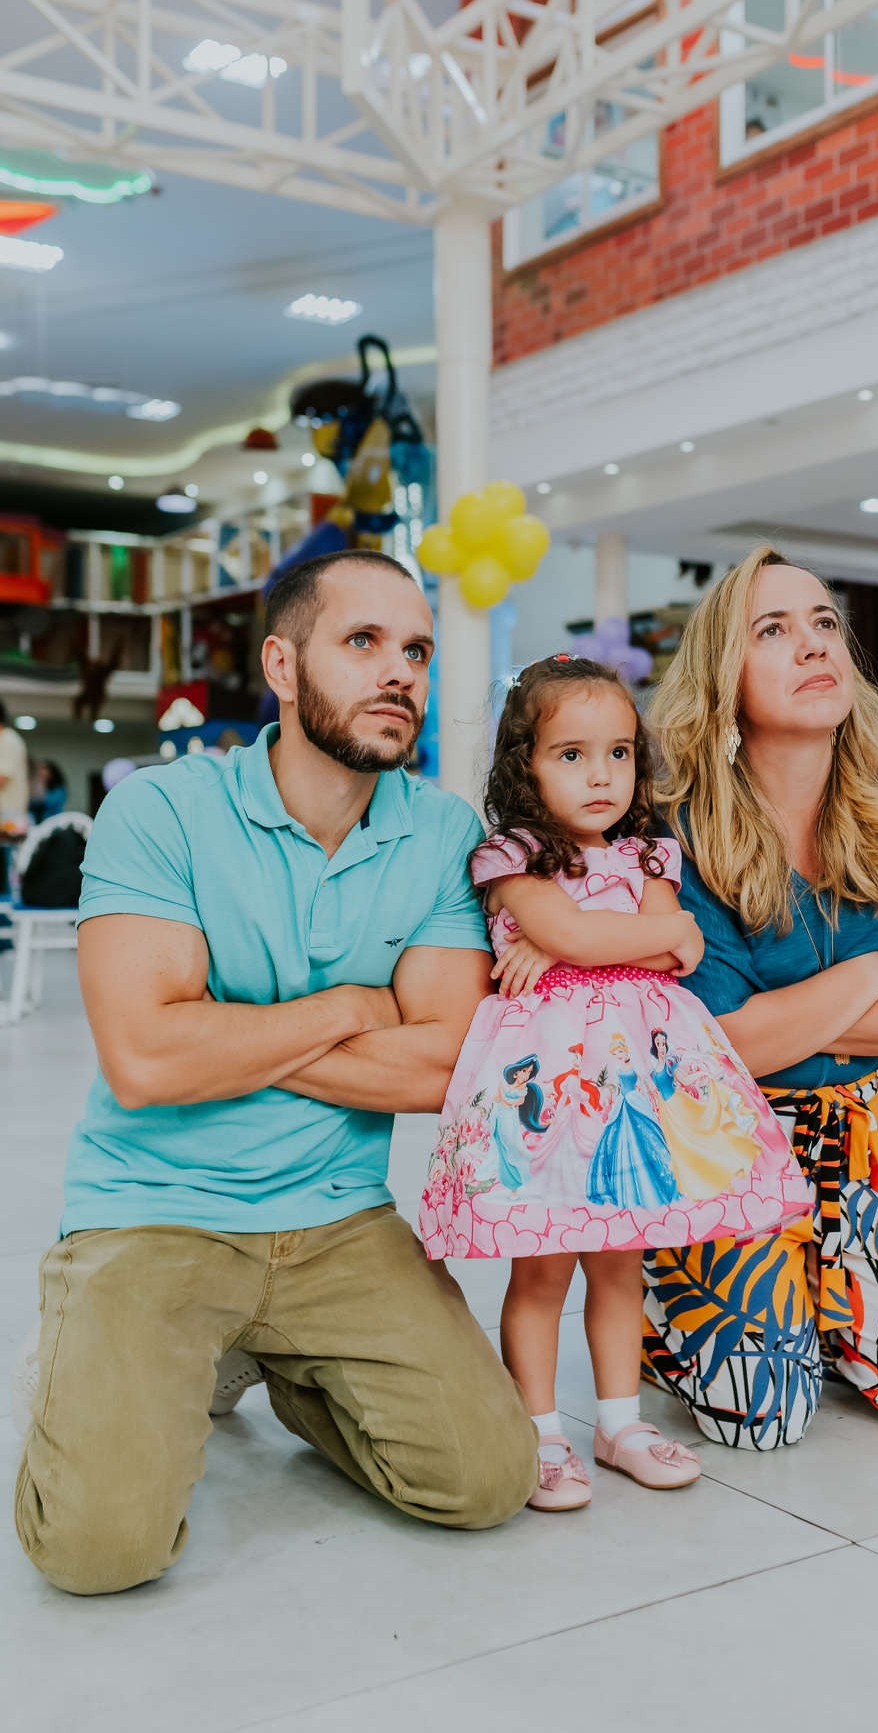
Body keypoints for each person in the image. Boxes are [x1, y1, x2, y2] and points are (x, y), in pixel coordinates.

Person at [13, 549, 537, 1597]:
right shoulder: (164, 813)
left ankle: (282, 1367)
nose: (400, 671)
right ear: (284, 667)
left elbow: (445, 1065)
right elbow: (148, 1059)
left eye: (417, 651)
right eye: (364, 642)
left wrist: (231, 1033)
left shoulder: (440, 836)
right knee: (98, 1553)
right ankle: (111, 1355)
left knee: (487, 1480)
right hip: (152, 1211)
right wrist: (351, 1006)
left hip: (339, 1216)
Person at [419, 655, 813, 1510]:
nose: (601, 775)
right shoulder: (512, 854)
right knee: (541, 1273)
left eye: (619, 753)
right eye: (570, 755)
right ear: (524, 764)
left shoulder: (649, 849)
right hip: (551, 1093)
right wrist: (593, 934)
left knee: (620, 1268)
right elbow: (635, 937)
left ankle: (621, 1422)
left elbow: (688, 942)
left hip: (637, 1089)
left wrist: (566, 941)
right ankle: (541, 1433)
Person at [640, 546, 878, 1448]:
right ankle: (665, 1305)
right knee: (761, 1421)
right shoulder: (679, 826)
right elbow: (724, 1050)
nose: (812, 645)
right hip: (727, 1136)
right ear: (725, 676)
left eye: (824, 624)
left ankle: (823, 1299)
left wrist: (786, 1010)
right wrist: (873, 974)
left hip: (869, 1129)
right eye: (774, 630)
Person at [0, 696, 30, 894]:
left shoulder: (7, 740)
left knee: (5, 863)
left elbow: (2, 778)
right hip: (8, 815)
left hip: (8, 816)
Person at [29, 758, 68, 824]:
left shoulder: (58, 789)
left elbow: (47, 802)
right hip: (38, 822)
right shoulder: (41, 787)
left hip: (53, 820)